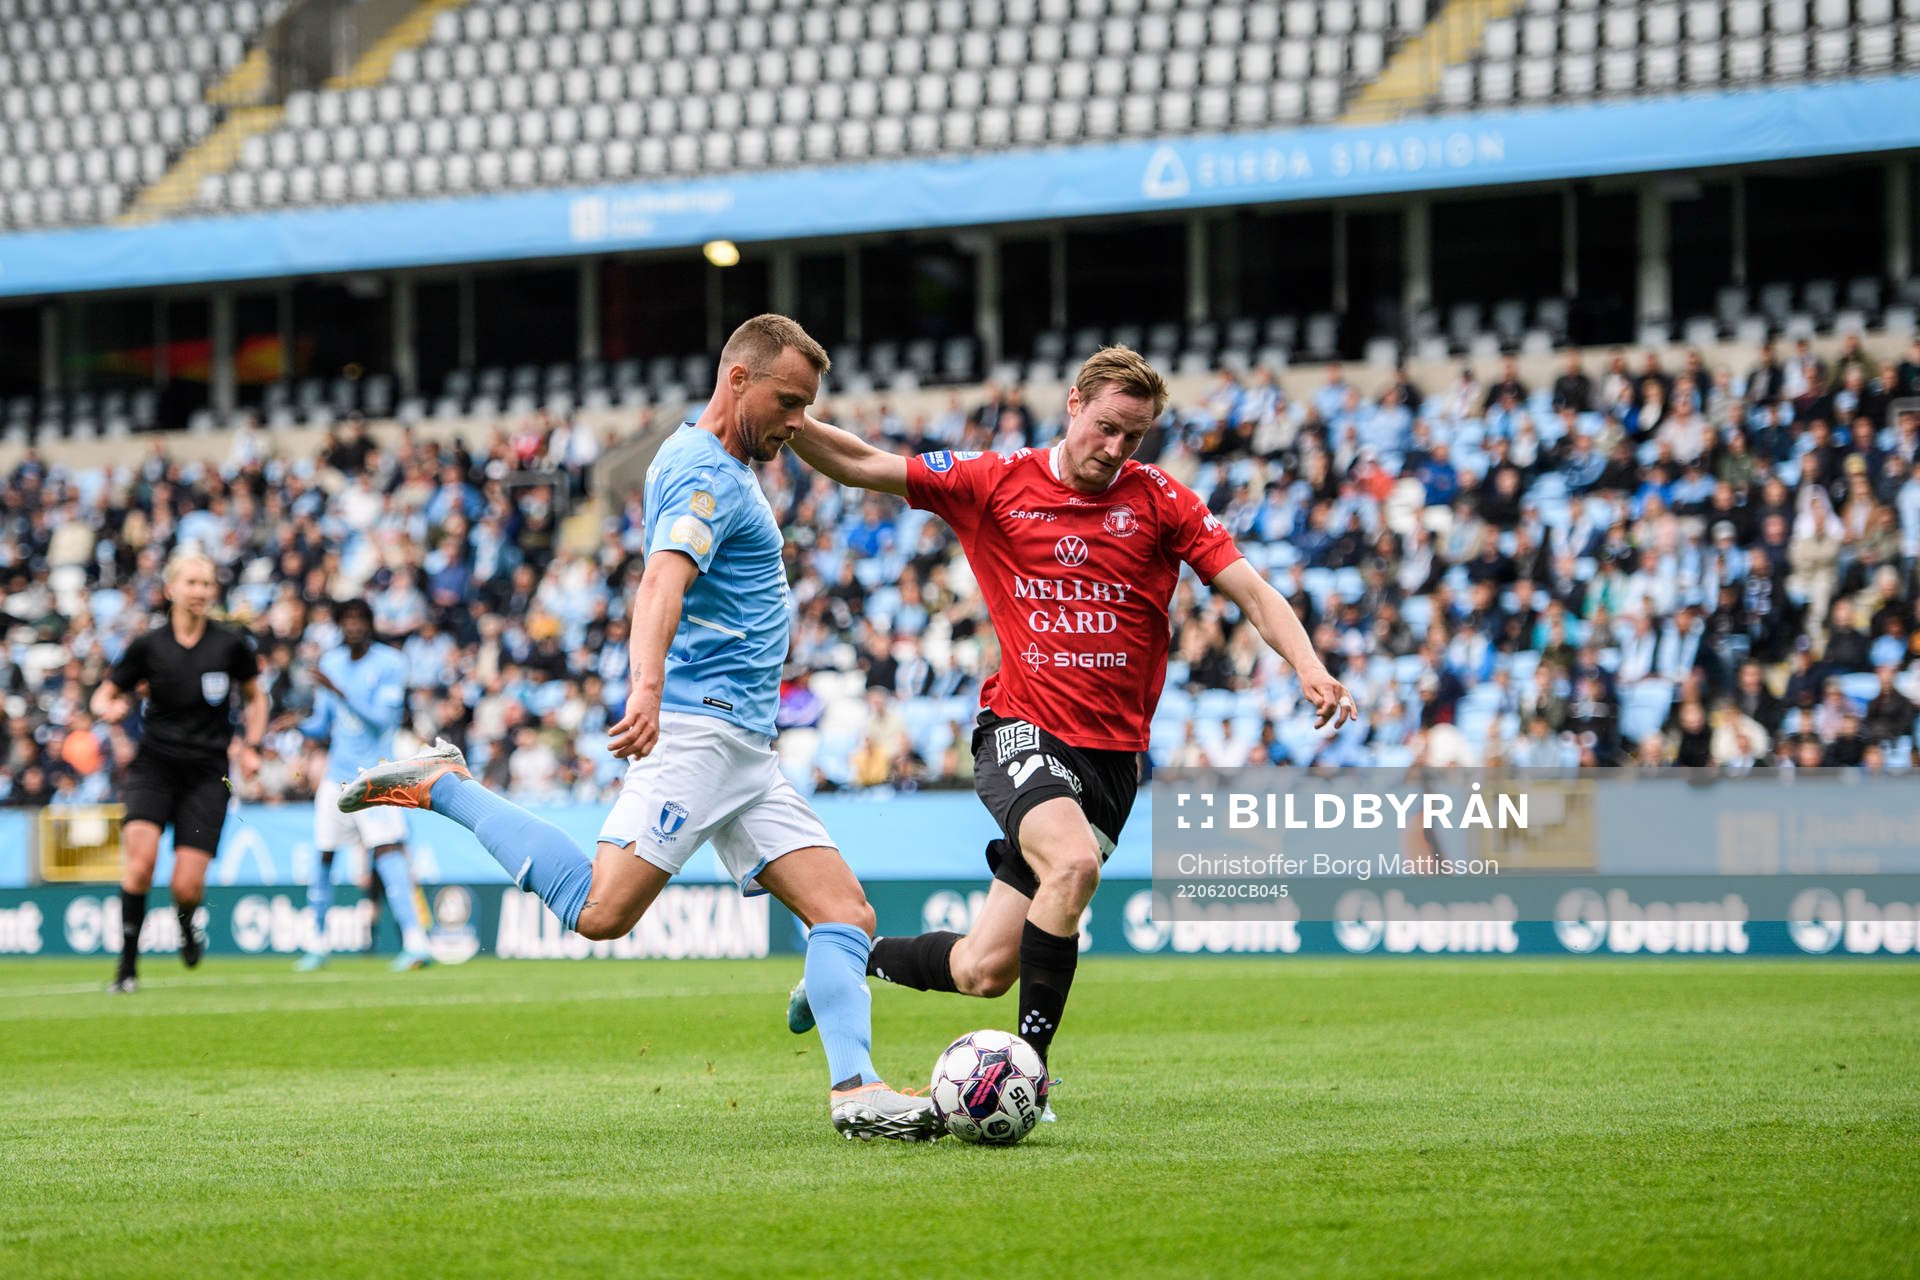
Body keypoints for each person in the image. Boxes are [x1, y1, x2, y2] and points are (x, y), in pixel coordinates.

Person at [337, 315, 939, 1142]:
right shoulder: (704, 473)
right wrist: (646, 689)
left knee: (847, 917)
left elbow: (803, 453)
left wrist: (806, 422)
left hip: (746, 747)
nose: (798, 421)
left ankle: (856, 1091)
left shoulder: (727, 458)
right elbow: (661, 581)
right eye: (789, 401)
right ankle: (447, 788)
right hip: (697, 733)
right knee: (598, 911)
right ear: (738, 379)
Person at [783, 345, 1354, 1095]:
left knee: (982, 969)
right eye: (1108, 427)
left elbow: (1252, 590)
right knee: (1075, 864)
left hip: (1113, 762)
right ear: (1076, 403)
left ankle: (844, 964)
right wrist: (787, 419)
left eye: (1135, 437)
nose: (1116, 449)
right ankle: (1029, 1080)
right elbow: (865, 463)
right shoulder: (995, 481)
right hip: (1021, 727)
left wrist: (1309, 666)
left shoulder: (1162, 502)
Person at [88, 550, 268, 994]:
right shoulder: (150, 646)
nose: (200, 591)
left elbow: (256, 697)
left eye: (206, 584)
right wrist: (106, 706)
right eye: (191, 583)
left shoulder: (230, 645)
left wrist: (252, 745)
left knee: (186, 887)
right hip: (155, 767)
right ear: (170, 589)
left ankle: (187, 929)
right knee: (140, 865)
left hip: (207, 773)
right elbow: (104, 693)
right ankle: (127, 970)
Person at [295, 598, 433, 972]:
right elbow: (324, 724)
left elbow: (382, 722)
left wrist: (340, 692)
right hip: (335, 777)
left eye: (360, 619)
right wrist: (295, 722)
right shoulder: (331, 663)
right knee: (324, 854)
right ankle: (317, 943)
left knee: (388, 854)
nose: (354, 626)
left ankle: (416, 942)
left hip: (376, 776)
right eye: (348, 620)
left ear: (370, 624)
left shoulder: (390, 664)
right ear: (340, 625)